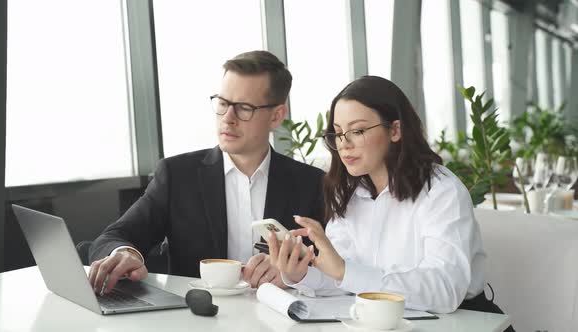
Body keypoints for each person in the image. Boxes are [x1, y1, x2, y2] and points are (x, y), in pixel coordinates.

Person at [267, 76, 513, 326]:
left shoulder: (441, 190)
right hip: (382, 322)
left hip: (462, 322)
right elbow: (345, 278)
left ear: (395, 130)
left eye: (358, 131)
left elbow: (445, 290)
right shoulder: (349, 192)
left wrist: (344, 270)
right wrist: (302, 274)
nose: (344, 145)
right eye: (339, 134)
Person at [88, 50, 324, 295]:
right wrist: (125, 254)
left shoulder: (312, 183)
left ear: (276, 116)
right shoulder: (177, 175)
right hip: (197, 317)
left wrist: (297, 275)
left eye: (243, 108)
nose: (228, 119)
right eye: (223, 104)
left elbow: (340, 266)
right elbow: (114, 237)